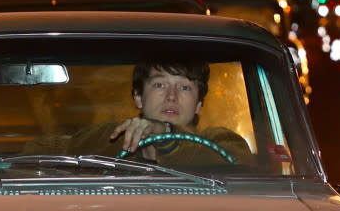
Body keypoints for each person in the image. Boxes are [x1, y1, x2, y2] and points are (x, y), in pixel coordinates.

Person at [68, 59, 253, 165]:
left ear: (198, 104)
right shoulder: (109, 139)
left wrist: (166, 135)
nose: (171, 96)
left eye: (185, 88)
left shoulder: (219, 142)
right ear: (138, 97)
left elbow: (240, 167)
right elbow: (50, 153)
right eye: (160, 85)